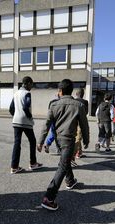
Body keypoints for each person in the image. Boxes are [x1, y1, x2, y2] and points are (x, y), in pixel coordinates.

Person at [37, 79, 89, 211]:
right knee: (63, 165)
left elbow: (46, 125)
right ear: (71, 91)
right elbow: (84, 125)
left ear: (60, 91)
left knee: (65, 162)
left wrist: (41, 141)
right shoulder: (79, 105)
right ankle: (49, 198)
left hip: (58, 139)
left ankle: (70, 181)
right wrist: (86, 140)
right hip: (68, 140)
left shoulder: (54, 105)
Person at [9, 76, 43, 174]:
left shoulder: (16, 93)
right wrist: (30, 117)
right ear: (27, 83)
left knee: (17, 143)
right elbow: (25, 107)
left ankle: (14, 167)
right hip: (25, 121)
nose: (31, 86)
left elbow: (11, 108)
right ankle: (33, 163)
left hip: (16, 121)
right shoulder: (27, 93)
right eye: (31, 84)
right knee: (32, 141)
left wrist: (16, 115)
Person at [74, 88, 89, 160]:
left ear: (76, 94)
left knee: (76, 136)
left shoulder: (73, 101)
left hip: (74, 120)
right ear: (83, 95)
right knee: (79, 137)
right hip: (81, 120)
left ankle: (79, 151)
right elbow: (86, 112)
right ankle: (76, 152)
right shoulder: (85, 102)